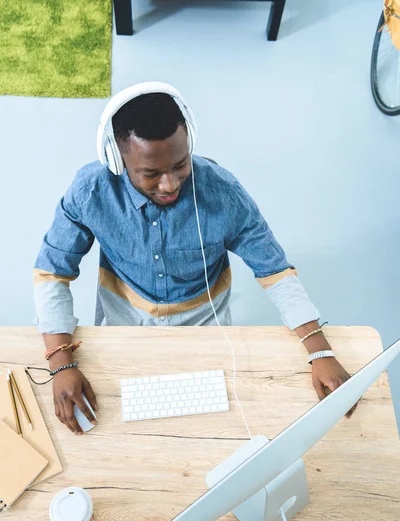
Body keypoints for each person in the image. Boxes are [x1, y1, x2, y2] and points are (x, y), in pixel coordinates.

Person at [33, 82, 356, 435]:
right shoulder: (90, 190)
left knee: (213, 426)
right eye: (151, 173)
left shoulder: (222, 191)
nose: (170, 184)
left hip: (206, 323)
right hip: (123, 320)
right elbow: (52, 272)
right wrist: (60, 362)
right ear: (117, 159)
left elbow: (275, 271)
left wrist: (319, 352)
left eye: (180, 164)